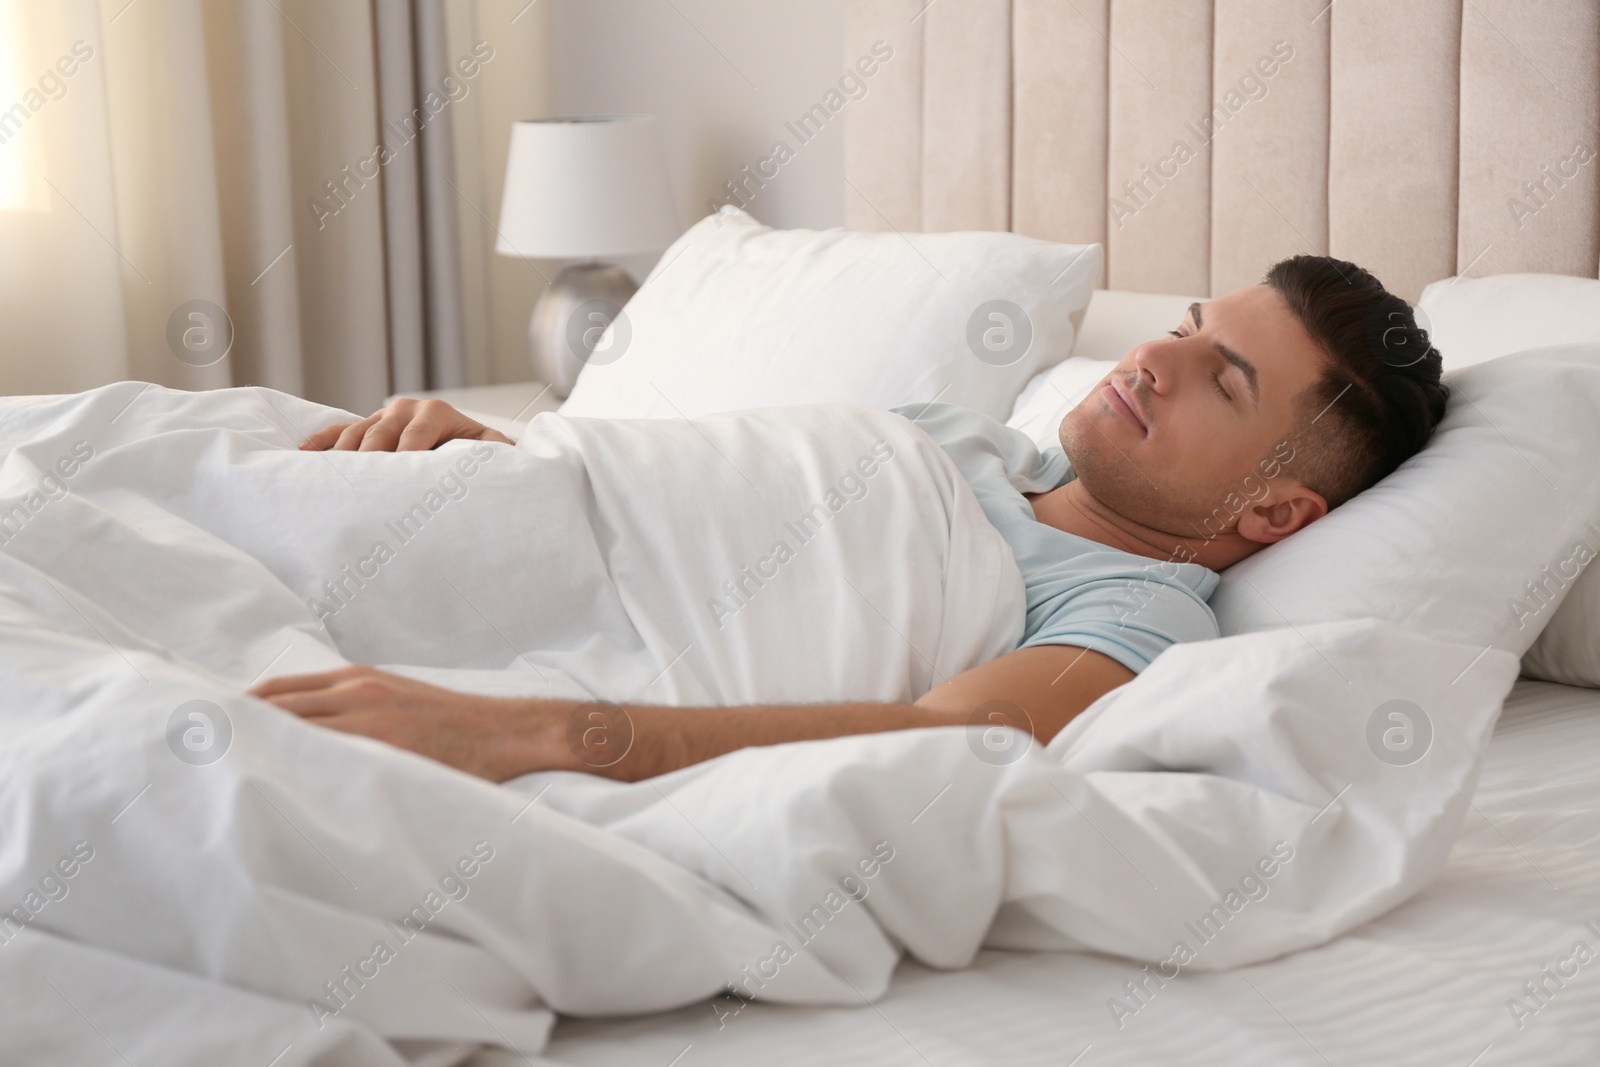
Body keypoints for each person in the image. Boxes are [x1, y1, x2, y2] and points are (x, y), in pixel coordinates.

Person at [249, 255, 1447, 783]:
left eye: (1223, 377)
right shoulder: (956, 437)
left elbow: (938, 740)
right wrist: (497, 454)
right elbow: (689, 493)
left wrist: (519, 733)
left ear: (1278, 508)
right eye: (1185, 324)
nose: (1153, 355)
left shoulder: (1136, 613)